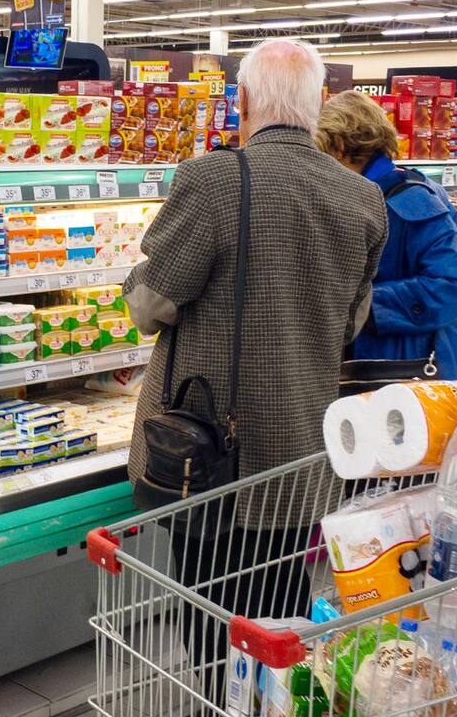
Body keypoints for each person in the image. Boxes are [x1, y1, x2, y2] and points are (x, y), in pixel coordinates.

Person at [123, 39, 388, 708]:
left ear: (240, 101)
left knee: (213, 622)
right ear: (317, 103)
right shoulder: (362, 197)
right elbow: (350, 322)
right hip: (301, 456)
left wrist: (134, 279)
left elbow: (150, 308)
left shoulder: (210, 180)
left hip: (212, 461)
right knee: (280, 622)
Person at [316, 90, 457, 379]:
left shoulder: (411, 202)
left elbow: (454, 287)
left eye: (321, 151)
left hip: (404, 372)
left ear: (339, 146)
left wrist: (364, 305)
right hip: (376, 367)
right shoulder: (367, 195)